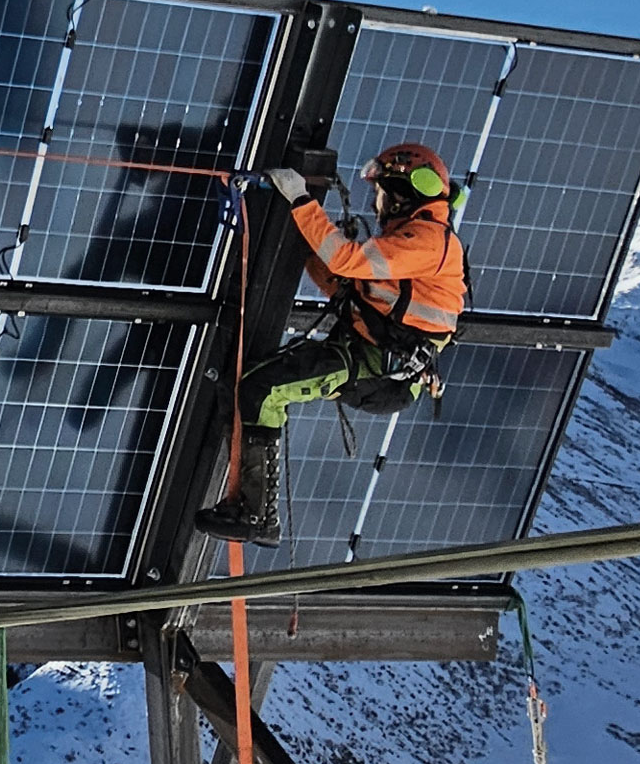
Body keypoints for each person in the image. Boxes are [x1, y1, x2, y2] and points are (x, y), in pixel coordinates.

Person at [195, 141, 469, 547]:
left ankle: (258, 516)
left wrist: (301, 200)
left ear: (402, 195)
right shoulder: (414, 241)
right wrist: (308, 239)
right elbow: (341, 281)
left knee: (264, 390)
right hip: (367, 353)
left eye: (381, 193)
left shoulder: (429, 242)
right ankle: (250, 508)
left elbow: (346, 262)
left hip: (380, 370)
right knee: (256, 383)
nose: (376, 203)